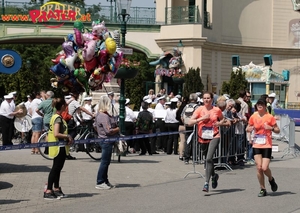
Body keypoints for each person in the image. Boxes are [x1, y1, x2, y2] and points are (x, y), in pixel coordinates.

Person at [188, 91, 224, 193]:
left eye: (208, 98)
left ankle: (206, 183)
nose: (206, 100)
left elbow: (223, 120)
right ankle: (214, 175)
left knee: (208, 158)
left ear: (212, 99)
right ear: (202, 99)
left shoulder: (216, 110)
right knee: (208, 160)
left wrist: (219, 123)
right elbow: (190, 122)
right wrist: (201, 118)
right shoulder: (199, 109)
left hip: (214, 136)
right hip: (202, 137)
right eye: (205, 98)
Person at [246, 98, 279, 197]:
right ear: (256, 106)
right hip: (256, 144)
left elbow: (278, 130)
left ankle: (271, 179)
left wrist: (271, 128)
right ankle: (262, 189)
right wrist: (250, 128)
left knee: (265, 168)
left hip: (267, 144)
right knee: (259, 168)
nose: (260, 105)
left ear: (265, 106)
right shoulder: (253, 116)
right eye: (258, 104)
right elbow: (247, 128)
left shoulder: (269, 117)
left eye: (262, 104)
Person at [44, 97, 73, 200]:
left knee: (58, 169)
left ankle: (56, 188)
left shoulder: (55, 116)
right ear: (62, 107)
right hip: (58, 147)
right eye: (65, 105)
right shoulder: (58, 118)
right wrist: (67, 136)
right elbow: (56, 133)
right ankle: (48, 190)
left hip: (58, 146)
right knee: (55, 169)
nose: (66, 107)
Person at [94, 95, 119, 190]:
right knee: (104, 162)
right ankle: (100, 181)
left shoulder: (100, 114)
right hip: (106, 140)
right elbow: (109, 131)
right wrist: (117, 129)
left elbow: (95, 125)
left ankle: (105, 180)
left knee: (107, 162)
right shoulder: (103, 116)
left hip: (105, 139)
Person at [176, 96, 188, 161]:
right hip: (187, 125)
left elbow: (177, 116)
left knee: (182, 141)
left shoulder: (180, 108)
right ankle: (187, 154)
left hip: (180, 125)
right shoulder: (188, 107)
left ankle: (181, 155)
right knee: (188, 141)